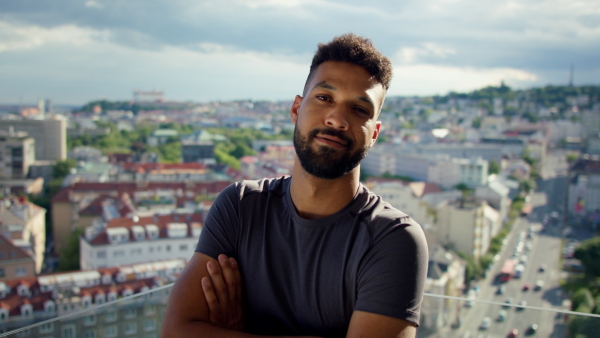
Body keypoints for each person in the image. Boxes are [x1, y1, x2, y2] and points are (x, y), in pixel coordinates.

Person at [161, 33, 428, 338]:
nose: (337, 119)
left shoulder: (393, 239)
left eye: (359, 109)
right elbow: (174, 332)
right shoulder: (239, 205)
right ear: (295, 109)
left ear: (375, 132)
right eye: (324, 98)